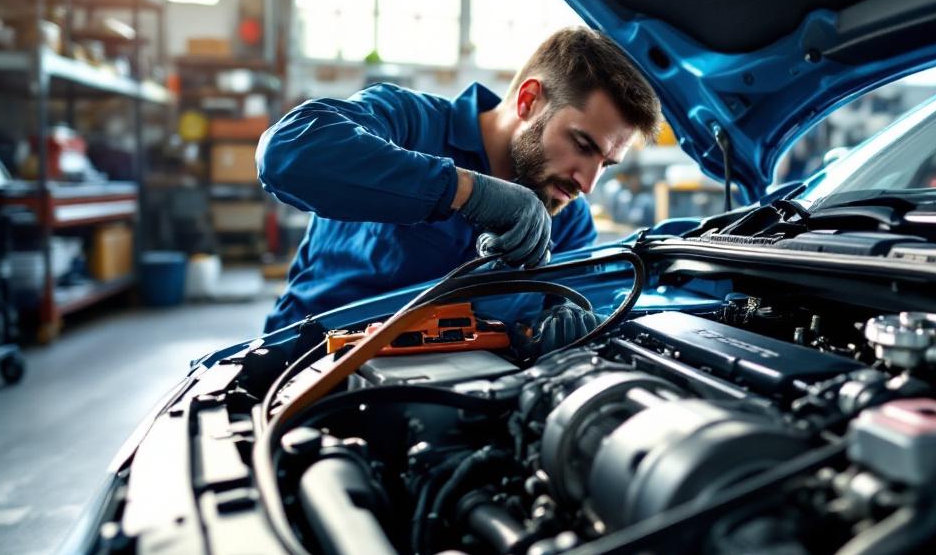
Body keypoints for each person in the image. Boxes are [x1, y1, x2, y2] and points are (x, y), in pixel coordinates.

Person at [257, 27, 661, 346]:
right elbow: (286, 154)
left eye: (605, 164)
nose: (587, 183)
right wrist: (467, 191)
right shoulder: (408, 122)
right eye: (583, 144)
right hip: (301, 371)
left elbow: (579, 305)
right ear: (529, 100)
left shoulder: (568, 218)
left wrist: (567, 329)